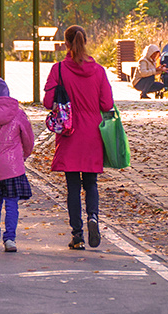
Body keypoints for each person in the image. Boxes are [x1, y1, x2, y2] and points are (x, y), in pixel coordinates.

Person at [42, 25, 115, 250]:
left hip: (70, 132)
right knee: (91, 183)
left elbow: (47, 103)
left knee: (72, 186)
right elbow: (107, 104)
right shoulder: (99, 71)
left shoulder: (59, 70)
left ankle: (77, 235)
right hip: (93, 133)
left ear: (66, 43)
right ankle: (93, 217)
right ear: (86, 41)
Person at [0, 78, 34, 252]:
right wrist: (24, 155)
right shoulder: (18, 113)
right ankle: (10, 238)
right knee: (12, 204)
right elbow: (28, 138)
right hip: (13, 167)